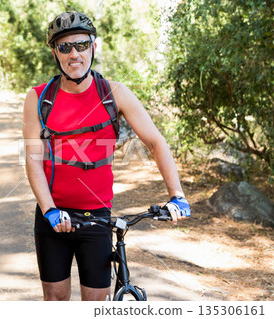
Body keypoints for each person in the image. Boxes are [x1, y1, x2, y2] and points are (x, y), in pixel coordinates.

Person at [22, 11, 191, 301]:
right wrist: (49, 209)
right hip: (52, 216)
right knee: (55, 299)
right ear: (55, 52)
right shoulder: (38, 98)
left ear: (93, 47)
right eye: (65, 47)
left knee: (96, 302)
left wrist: (177, 195)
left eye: (82, 45)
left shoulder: (115, 93)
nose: (74, 54)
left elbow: (155, 142)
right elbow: (33, 159)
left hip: (97, 218)